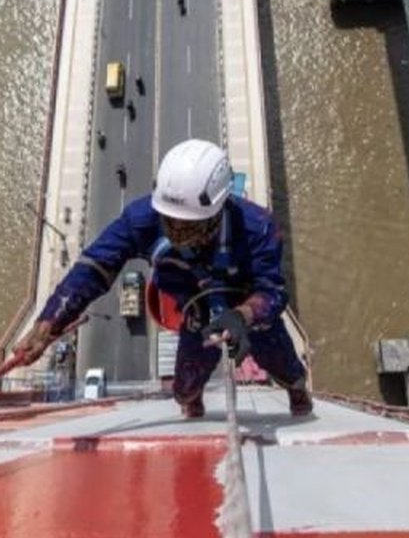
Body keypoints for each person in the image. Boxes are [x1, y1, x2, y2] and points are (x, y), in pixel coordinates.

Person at [16, 140, 312, 418]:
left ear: (218, 210)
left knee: (285, 366)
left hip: (248, 311)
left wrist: (243, 315)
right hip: (198, 314)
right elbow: (94, 267)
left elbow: (271, 290)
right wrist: (48, 324)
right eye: (170, 223)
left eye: (190, 227)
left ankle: (298, 395)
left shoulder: (257, 228)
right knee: (185, 388)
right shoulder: (142, 219)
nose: (177, 232)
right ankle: (191, 407)